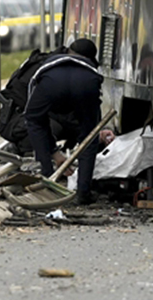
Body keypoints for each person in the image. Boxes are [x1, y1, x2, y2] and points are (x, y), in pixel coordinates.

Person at [24, 38, 115, 204]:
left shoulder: (50, 62)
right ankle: (83, 193)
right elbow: (93, 109)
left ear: (68, 52)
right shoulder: (90, 69)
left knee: (35, 121)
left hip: (51, 83)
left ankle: (47, 176)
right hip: (86, 84)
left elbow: (32, 113)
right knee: (90, 135)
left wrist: (53, 151)